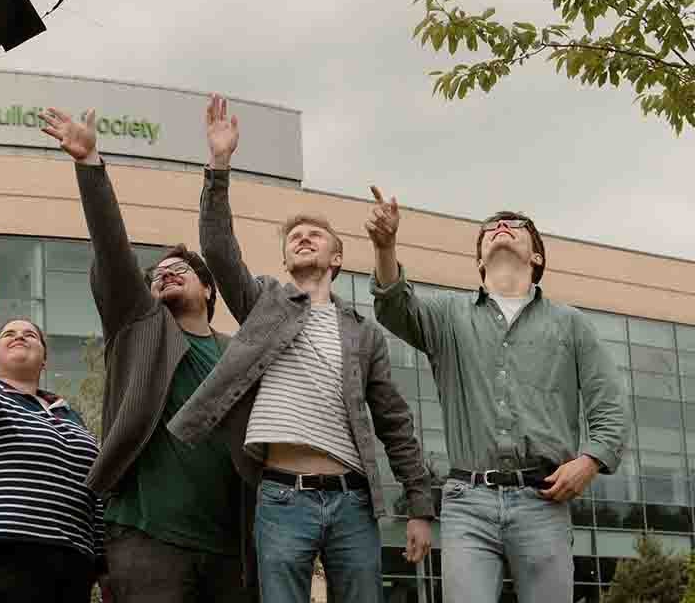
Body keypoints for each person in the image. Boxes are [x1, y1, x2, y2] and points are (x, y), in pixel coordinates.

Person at [163, 94, 433, 603]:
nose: (303, 239)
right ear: (286, 260)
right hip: (282, 496)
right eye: (295, 238)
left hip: (353, 501)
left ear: (337, 257)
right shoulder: (264, 303)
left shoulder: (363, 334)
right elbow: (218, 249)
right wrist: (218, 166)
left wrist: (419, 507)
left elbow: (395, 423)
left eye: (315, 235)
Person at [365, 187, 629, 602]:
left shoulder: (571, 324)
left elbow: (610, 406)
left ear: (537, 256)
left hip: (543, 500)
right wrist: (385, 247)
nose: (501, 227)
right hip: (467, 503)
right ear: (479, 260)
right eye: (490, 228)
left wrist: (589, 461)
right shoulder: (447, 316)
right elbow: (395, 307)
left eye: (515, 225)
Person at [38, 107, 255, 603]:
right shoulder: (138, 326)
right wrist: (90, 165)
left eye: (181, 269)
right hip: (147, 540)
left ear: (209, 289)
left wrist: (220, 164)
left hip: (231, 552)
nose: (166, 273)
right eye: (158, 272)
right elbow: (112, 248)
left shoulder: (238, 353)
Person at [0, 270, 107, 603]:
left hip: (71, 562)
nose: (19, 336)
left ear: (44, 359)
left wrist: (103, 563)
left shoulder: (72, 417)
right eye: (9, 334)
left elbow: (97, 492)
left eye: (30, 334)